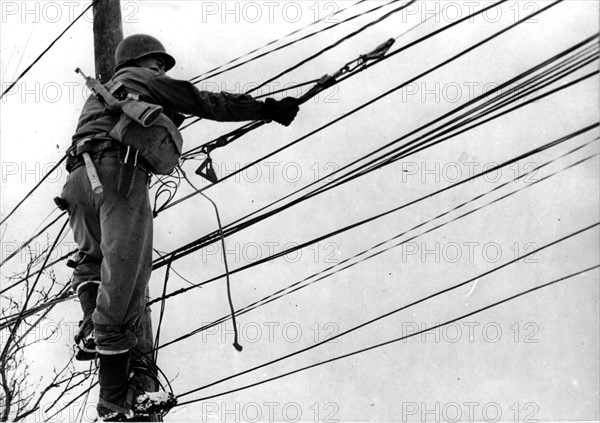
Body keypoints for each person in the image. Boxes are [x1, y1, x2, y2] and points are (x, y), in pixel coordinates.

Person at [60, 34, 299, 421]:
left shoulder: (102, 93)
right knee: (126, 281)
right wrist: (266, 108)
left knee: (93, 259)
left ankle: (90, 327)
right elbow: (204, 100)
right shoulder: (143, 78)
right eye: (159, 64)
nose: (162, 71)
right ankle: (116, 399)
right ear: (144, 61)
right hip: (119, 175)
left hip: (78, 180)